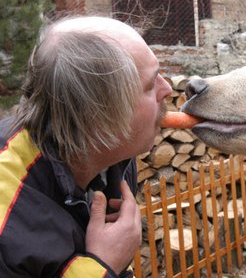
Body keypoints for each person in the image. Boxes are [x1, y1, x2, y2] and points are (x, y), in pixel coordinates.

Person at [0, 16, 173, 277]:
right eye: (151, 85)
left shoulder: (114, 156)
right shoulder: (8, 220)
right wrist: (101, 266)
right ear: (100, 118)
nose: (168, 89)